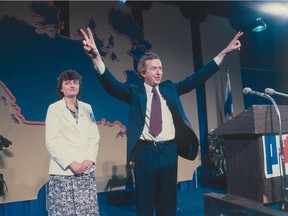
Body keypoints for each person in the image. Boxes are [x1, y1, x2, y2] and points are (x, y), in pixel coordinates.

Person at [80, 27, 243, 216]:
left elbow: (197, 79)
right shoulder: (135, 93)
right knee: (145, 202)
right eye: (154, 68)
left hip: (169, 151)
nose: (159, 72)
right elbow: (112, 85)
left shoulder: (169, 88)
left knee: (167, 202)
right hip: (145, 152)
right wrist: (95, 57)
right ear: (142, 72)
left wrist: (223, 52)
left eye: (160, 68)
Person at [45, 69, 100, 216]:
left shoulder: (87, 108)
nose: (72, 86)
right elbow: (52, 141)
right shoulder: (54, 108)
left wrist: (90, 158)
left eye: (75, 82)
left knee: (87, 211)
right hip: (63, 172)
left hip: (85, 170)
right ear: (61, 88)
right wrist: (71, 162)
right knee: (63, 212)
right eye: (67, 83)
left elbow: (94, 136)